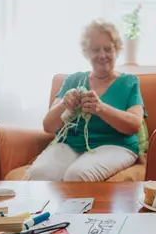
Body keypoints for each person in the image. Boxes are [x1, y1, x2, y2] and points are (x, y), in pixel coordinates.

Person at [27, 20, 145, 182]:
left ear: (117, 50)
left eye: (108, 49)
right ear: (86, 53)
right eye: (95, 50)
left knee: (78, 175)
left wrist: (101, 109)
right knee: (39, 174)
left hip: (116, 146)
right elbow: (48, 126)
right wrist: (64, 104)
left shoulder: (129, 82)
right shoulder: (73, 80)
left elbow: (134, 124)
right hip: (72, 144)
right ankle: (48, 208)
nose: (102, 55)